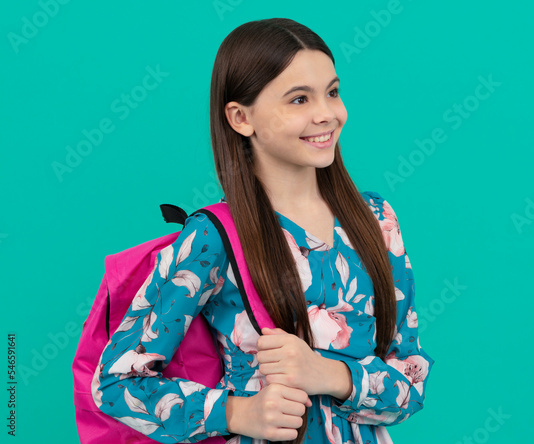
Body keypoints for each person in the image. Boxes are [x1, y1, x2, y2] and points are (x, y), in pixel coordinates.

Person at [92, 18, 433, 444]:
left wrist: (331, 375)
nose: (327, 114)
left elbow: (411, 380)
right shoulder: (214, 237)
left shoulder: (376, 219)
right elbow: (115, 382)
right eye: (298, 100)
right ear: (240, 118)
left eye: (332, 91)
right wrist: (238, 412)